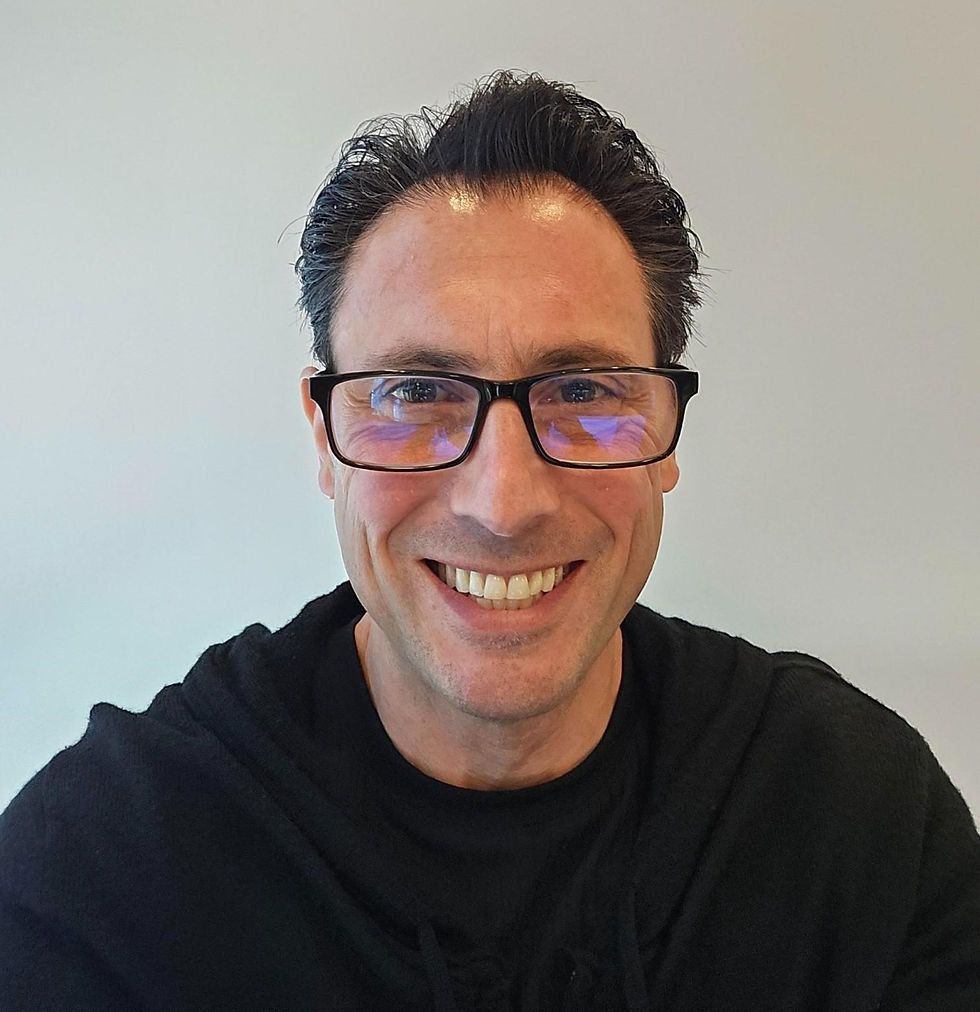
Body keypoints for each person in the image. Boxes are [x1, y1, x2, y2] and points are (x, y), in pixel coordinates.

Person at [1, 71, 978, 1011]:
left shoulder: (856, 819)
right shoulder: (111, 869)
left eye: (585, 391)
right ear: (322, 438)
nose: (502, 502)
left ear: (662, 437)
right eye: (416, 394)